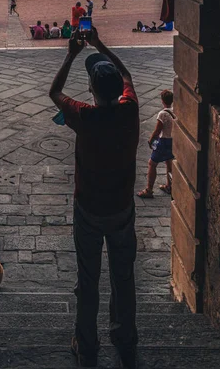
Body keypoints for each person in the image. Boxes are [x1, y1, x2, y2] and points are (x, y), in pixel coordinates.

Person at [49, 28, 139, 369]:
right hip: (121, 209)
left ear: (91, 89)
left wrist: (72, 54)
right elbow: (128, 74)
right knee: (124, 276)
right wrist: (101, 45)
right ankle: (125, 337)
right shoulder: (129, 109)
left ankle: (87, 346)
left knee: (88, 280)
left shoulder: (84, 116)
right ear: (118, 89)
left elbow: (54, 92)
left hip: (88, 208)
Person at [137, 90, 175, 198]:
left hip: (163, 141)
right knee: (169, 162)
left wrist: (151, 139)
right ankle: (169, 186)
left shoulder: (163, 114)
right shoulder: (175, 111)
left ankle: (149, 190)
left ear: (162, 101)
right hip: (172, 141)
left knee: (152, 163)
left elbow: (158, 130)